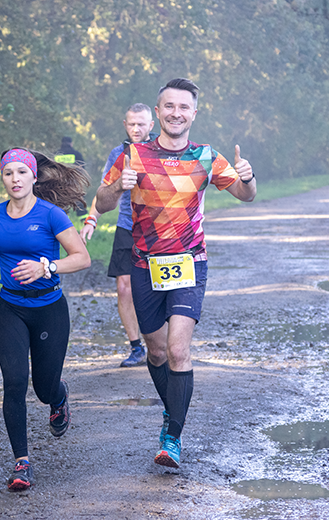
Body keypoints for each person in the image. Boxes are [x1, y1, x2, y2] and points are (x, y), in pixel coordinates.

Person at [95, 78, 256, 469]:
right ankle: (174, 412)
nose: (176, 113)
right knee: (157, 351)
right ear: (158, 110)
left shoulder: (206, 157)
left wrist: (247, 176)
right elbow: (99, 204)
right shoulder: (131, 155)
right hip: (144, 265)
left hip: (189, 262)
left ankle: (172, 436)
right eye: (169, 106)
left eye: (184, 107)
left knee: (180, 350)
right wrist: (118, 186)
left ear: (194, 113)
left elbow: (245, 196)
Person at [0, 148, 91, 491]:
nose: (15, 179)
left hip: (48, 309)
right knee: (14, 382)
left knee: (43, 388)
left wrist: (47, 266)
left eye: (21, 173)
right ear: (3, 178)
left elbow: (82, 258)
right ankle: (21, 463)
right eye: (8, 173)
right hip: (10, 308)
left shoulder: (51, 215)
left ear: (33, 177)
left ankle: (58, 398)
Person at [80, 103, 157, 368]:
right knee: (124, 288)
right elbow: (103, 192)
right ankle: (136, 348)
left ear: (151, 125)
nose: (136, 129)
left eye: (141, 124)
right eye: (131, 124)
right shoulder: (118, 153)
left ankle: (161, 344)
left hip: (159, 230)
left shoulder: (163, 150)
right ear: (125, 125)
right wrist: (92, 218)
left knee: (156, 288)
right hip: (127, 228)